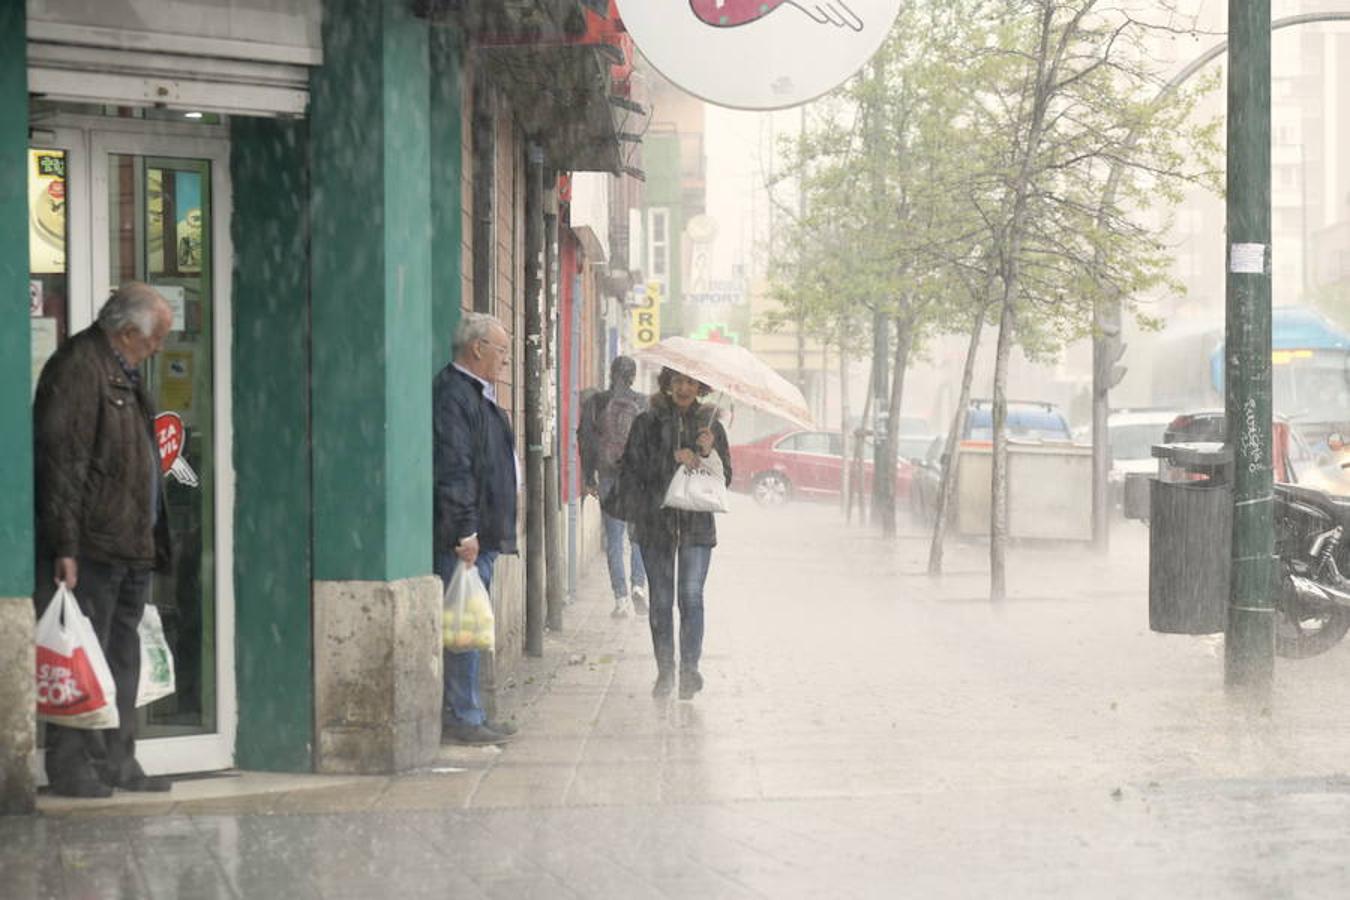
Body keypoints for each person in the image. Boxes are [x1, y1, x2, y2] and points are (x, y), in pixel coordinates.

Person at [33, 282, 175, 797]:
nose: (159, 345)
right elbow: (63, 462)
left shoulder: (125, 372)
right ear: (128, 331)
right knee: (81, 658)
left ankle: (119, 760)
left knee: (120, 658)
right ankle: (73, 766)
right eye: (156, 336)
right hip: (95, 542)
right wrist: (65, 545)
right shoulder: (80, 366)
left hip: (130, 541)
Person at [616, 366, 732, 700]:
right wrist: (672, 459)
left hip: (697, 526)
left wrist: (708, 453)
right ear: (667, 384)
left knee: (691, 597)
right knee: (662, 602)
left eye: (692, 382)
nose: (684, 387)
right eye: (678, 381)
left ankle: (689, 670)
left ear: (701, 387)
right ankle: (665, 671)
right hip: (656, 524)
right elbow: (631, 468)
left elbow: (726, 479)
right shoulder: (647, 422)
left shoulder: (711, 426)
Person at [433, 312, 520, 745]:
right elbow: (455, 467)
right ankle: (463, 716)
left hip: (483, 533)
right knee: (464, 631)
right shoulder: (455, 395)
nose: (506, 359)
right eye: (501, 350)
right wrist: (465, 530)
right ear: (478, 348)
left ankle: (471, 711)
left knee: (469, 628)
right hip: (467, 537)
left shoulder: (478, 394)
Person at [578, 355, 649, 618]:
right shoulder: (642, 403)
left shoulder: (597, 401)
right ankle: (638, 586)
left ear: (611, 372)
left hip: (608, 475)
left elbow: (585, 440)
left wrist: (588, 477)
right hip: (637, 479)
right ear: (632, 375)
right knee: (638, 536)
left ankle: (621, 599)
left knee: (614, 540)